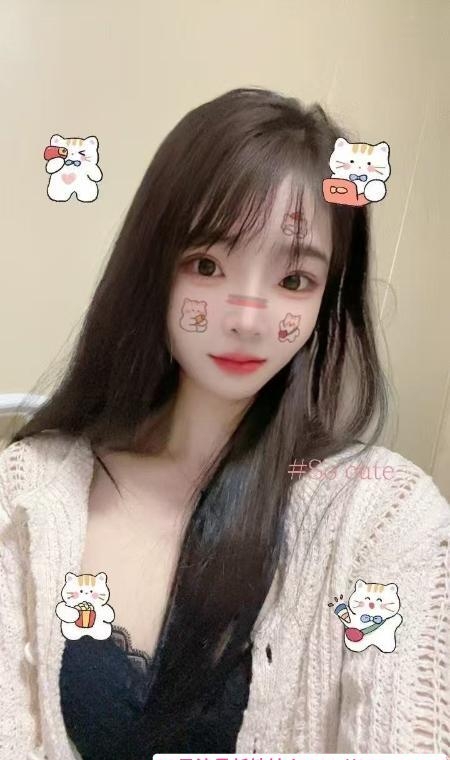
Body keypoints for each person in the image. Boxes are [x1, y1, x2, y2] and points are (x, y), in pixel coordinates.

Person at [1, 87, 449, 760]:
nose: (245, 318)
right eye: (207, 265)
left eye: (293, 280)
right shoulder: (26, 494)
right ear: (153, 269)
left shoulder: (387, 519)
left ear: (327, 299)